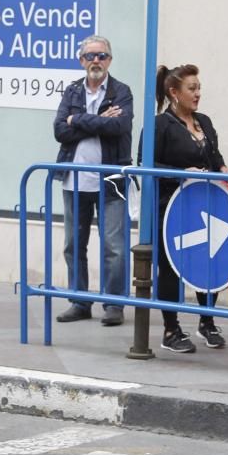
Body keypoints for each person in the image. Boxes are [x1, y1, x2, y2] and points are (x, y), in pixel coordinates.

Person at [147, 64, 228, 354]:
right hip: (171, 207)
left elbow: (215, 154)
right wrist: (182, 173)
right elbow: (147, 165)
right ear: (173, 92)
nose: (197, 94)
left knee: (210, 261)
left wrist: (222, 168)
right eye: (191, 89)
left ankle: (207, 322)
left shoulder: (204, 121)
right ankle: (171, 329)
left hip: (204, 205)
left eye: (199, 88)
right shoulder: (159, 125)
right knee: (170, 267)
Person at [52, 35, 133, 326]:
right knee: (74, 245)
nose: (95, 61)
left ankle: (114, 304)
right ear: (81, 60)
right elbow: (60, 131)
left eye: (101, 56)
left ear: (109, 60)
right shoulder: (73, 91)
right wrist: (99, 119)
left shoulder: (121, 91)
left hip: (110, 181)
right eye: (90, 56)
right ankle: (79, 301)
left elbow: (119, 126)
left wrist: (79, 120)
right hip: (74, 181)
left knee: (114, 246)